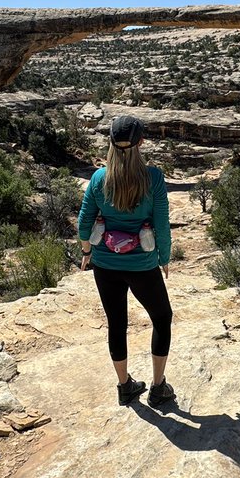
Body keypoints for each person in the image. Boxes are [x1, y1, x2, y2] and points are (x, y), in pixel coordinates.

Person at [77, 115, 175, 408]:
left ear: (110, 142)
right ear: (141, 142)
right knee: (161, 318)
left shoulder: (99, 178)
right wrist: (164, 258)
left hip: (106, 265)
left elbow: (84, 223)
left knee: (116, 323)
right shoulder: (153, 178)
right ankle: (158, 387)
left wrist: (86, 252)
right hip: (142, 265)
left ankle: (125, 386)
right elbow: (161, 224)